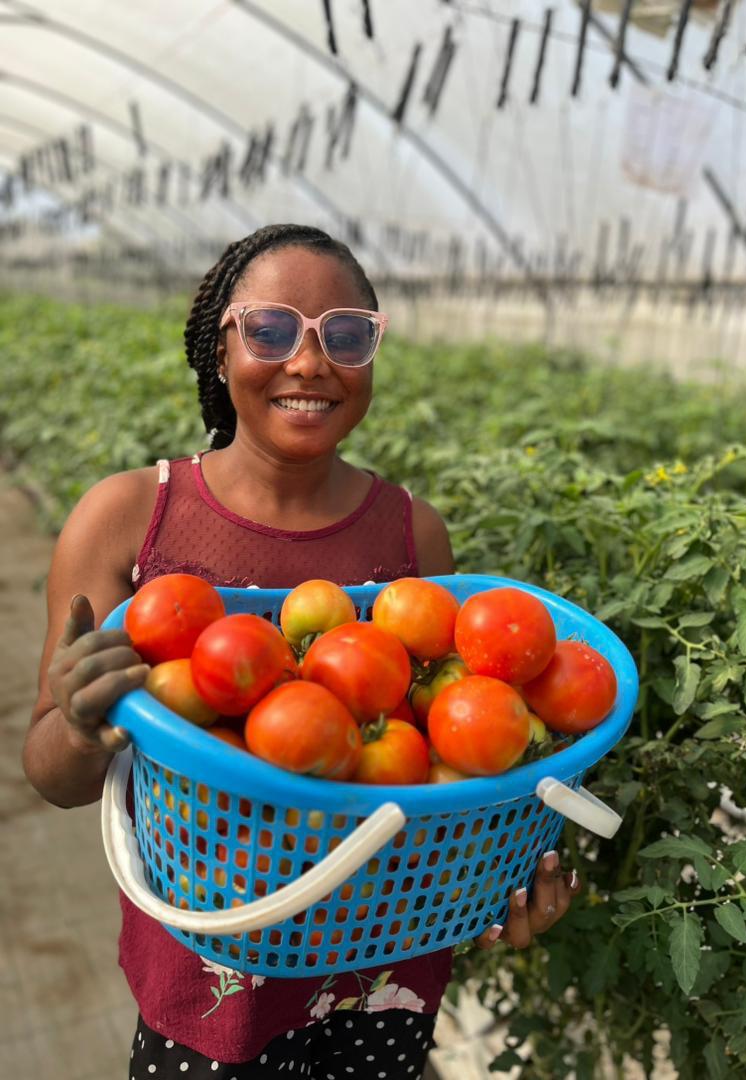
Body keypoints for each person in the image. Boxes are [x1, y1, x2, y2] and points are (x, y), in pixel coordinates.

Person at [22, 223, 582, 1079]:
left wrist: (495, 881)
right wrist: (79, 722)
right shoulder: (128, 517)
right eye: (272, 329)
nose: (310, 362)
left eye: (346, 335)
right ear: (221, 348)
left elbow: (438, 765)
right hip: (211, 981)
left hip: (383, 969)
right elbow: (51, 777)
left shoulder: (413, 533)